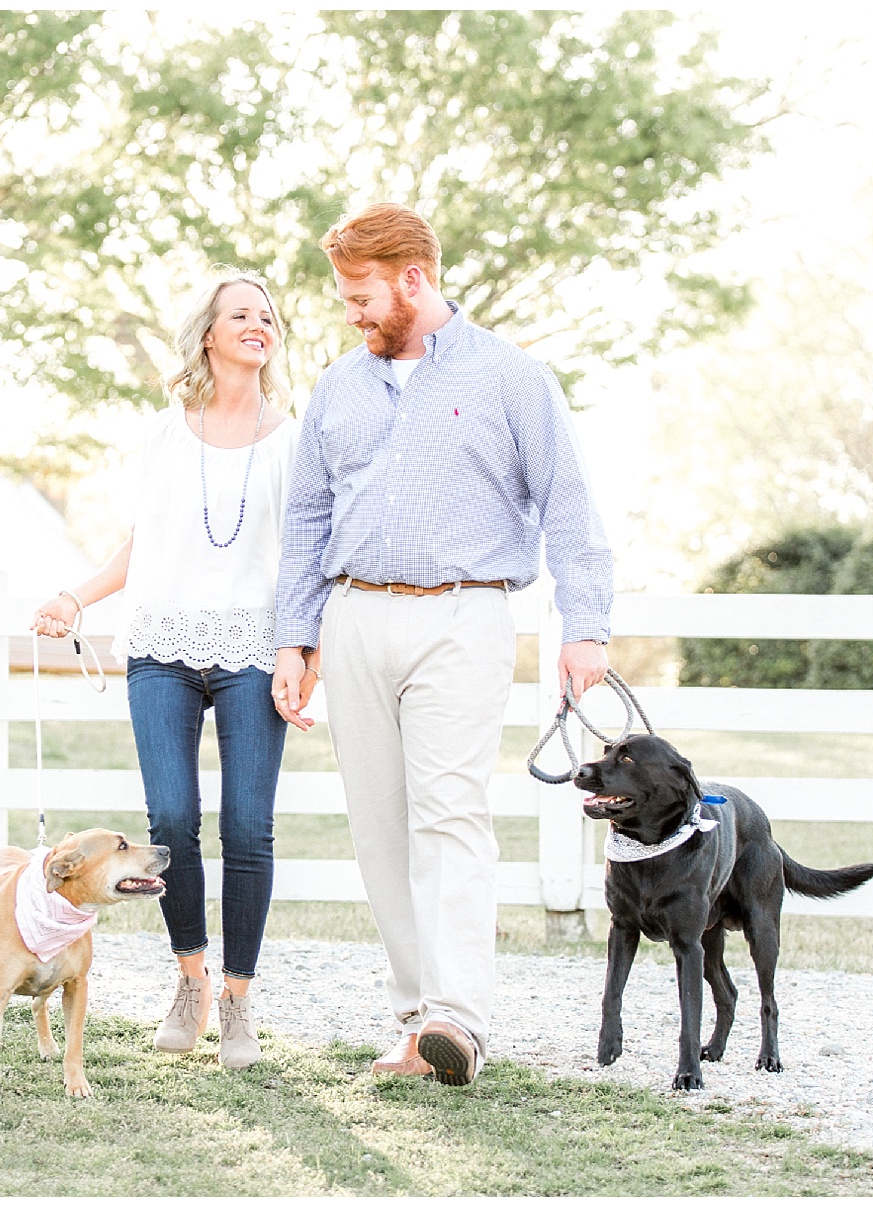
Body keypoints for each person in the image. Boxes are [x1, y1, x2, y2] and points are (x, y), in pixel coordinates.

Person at [272, 202, 613, 1087]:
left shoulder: (512, 376)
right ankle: (414, 1020)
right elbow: (307, 517)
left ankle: (458, 1016)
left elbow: (569, 503)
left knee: (449, 812)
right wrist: (293, 638)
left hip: (463, 615)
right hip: (353, 616)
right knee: (380, 826)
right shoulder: (338, 386)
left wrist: (587, 627)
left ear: (414, 279)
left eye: (361, 294)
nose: (349, 311)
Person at [33, 270, 318, 1071]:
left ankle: (238, 998)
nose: (259, 324)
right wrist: (74, 596)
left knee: (249, 827)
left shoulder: (291, 438)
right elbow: (142, 544)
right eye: (242, 314)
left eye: (268, 315)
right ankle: (190, 980)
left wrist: (306, 652)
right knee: (169, 822)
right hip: (159, 646)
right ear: (208, 333)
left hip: (253, 652)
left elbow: (304, 557)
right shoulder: (164, 433)